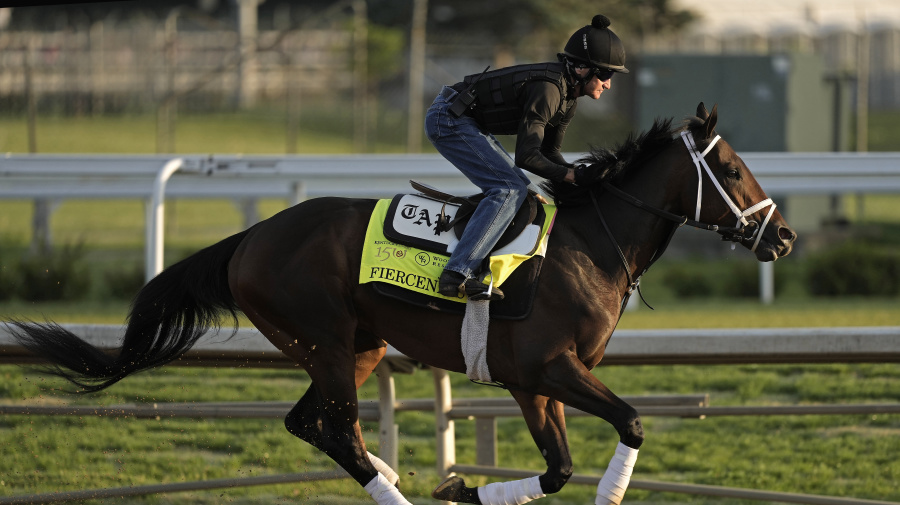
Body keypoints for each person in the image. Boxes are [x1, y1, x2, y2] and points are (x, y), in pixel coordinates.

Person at [425, 14, 629, 301]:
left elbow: (549, 153)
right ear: (582, 69)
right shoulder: (549, 89)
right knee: (509, 189)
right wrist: (571, 176)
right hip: (448, 118)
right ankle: (457, 273)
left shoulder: (569, 97)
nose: (608, 84)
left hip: (469, 122)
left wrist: (579, 174)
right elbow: (527, 156)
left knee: (526, 194)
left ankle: (483, 267)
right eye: (606, 75)